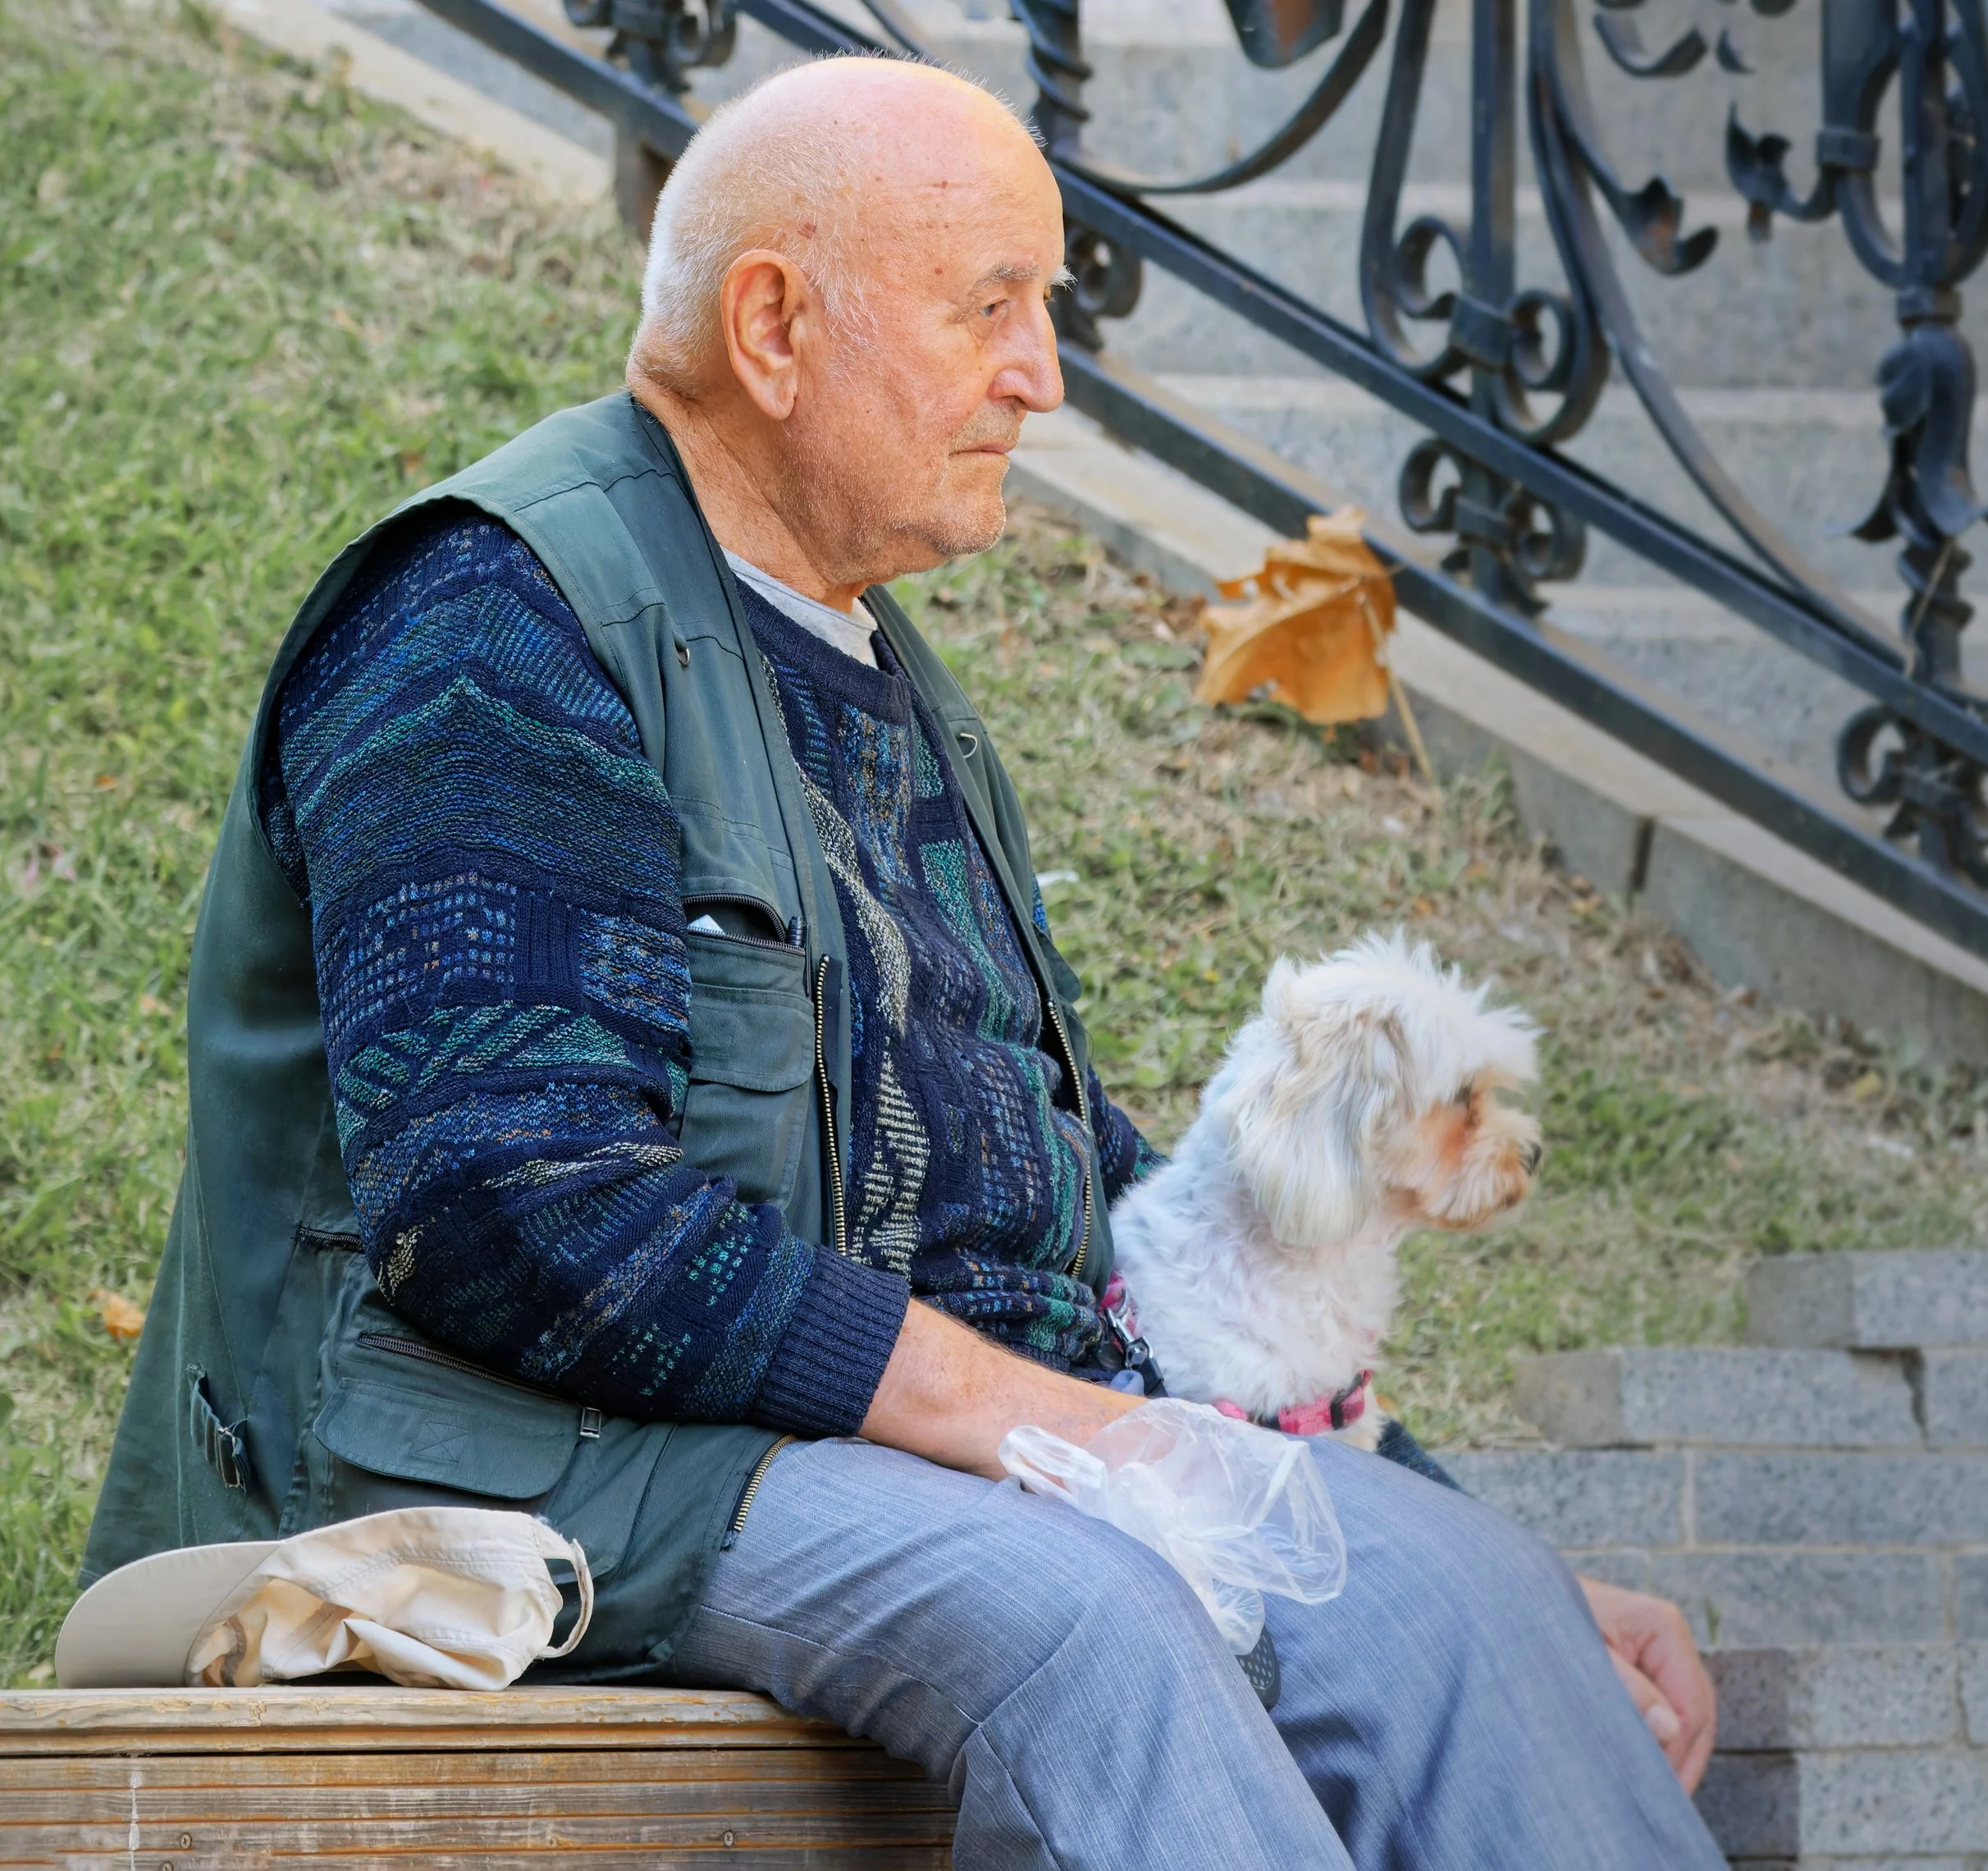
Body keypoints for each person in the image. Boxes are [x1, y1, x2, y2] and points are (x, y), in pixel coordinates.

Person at [83, 54, 1727, 1868]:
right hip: (540, 1464)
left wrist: (1375, 1500)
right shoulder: (494, 616)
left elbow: (1053, 1175)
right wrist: (1056, 1435)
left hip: (881, 1447)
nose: (1040, 370)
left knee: (1453, 1600)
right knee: (1092, 1618)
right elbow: (506, 1205)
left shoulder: (881, 680)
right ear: (774, 325)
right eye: (989, 308)